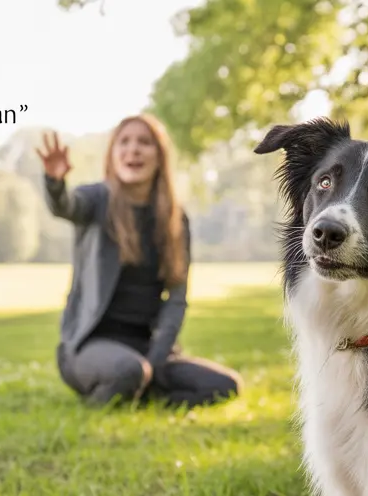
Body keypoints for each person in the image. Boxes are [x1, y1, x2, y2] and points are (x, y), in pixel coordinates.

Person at [38, 113, 242, 408]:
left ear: (159, 157)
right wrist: (55, 182)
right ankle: (125, 387)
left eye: (144, 143)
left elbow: (176, 297)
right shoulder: (96, 200)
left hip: (145, 347)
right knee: (129, 370)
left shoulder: (175, 218)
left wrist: (158, 357)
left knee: (225, 385)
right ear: (113, 154)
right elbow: (66, 206)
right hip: (89, 346)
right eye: (124, 142)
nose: (133, 149)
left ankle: (140, 392)